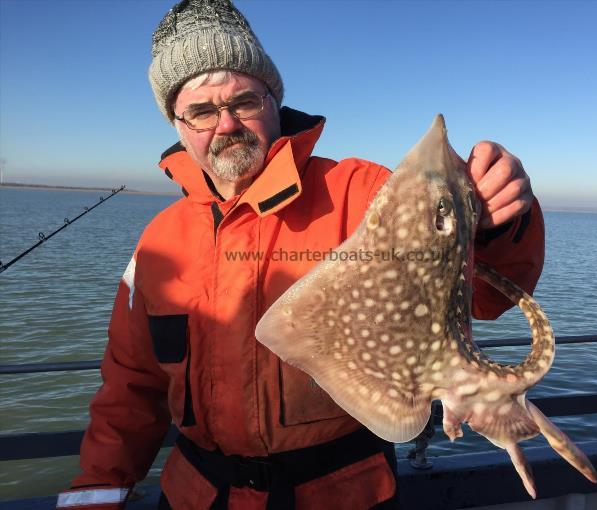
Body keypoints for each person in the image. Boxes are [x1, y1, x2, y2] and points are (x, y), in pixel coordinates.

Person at [56, 1, 545, 509]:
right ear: (177, 123)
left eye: (244, 102)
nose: (226, 125)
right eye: (201, 111)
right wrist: (98, 488)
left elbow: (487, 296)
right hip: (198, 495)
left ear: (274, 101)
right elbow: (130, 385)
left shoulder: (365, 192)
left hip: (343, 494)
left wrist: (500, 218)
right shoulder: (160, 241)